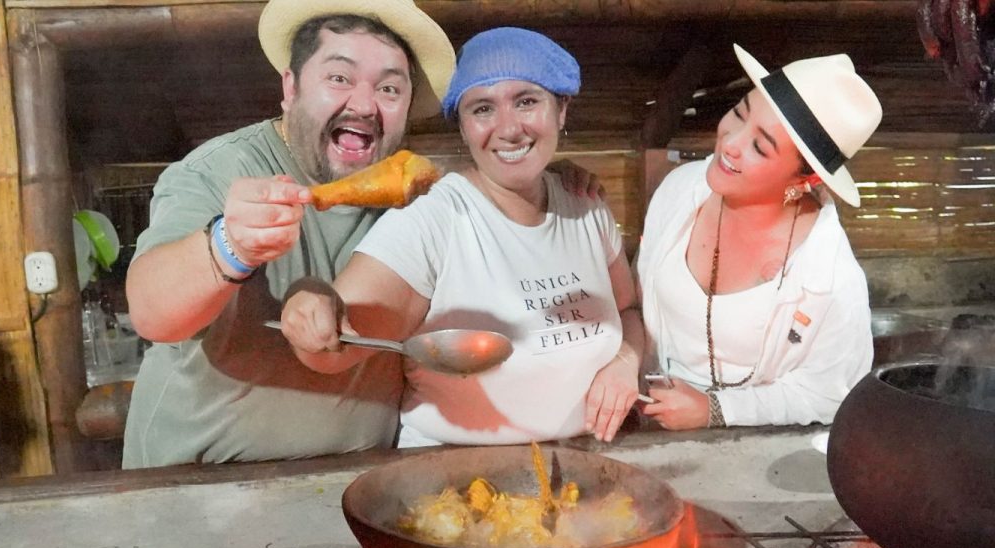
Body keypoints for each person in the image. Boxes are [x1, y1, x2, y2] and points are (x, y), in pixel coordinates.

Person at [122, 0, 456, 467]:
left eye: (389, 88)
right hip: (201, 483)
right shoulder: (218, 170)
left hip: (356, 483)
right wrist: (230, 247)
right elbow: (152, 313)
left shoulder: (416, 195)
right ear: (291, 87)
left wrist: (559, 184)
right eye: (339, 77)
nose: (363, 104)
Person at [280, 27, 643, 447]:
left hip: (586, 469)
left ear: (561, 110)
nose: (508, 129)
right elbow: (334, 347)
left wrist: (625, 361)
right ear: (463, 127)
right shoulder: (432, 220)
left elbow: (628, 309)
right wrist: (311, 307)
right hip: (454, 481)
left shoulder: (586, 206)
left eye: (526, 101)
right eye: (483, 109)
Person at [636, 45, 882, 430]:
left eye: (760, 146)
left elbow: (829, 394)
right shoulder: (680, 192)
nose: (730, 142)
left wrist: (715, 411)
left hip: (755, 457)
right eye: (738, 113)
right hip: (654, 428)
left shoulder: (832, 281)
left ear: (805, 180)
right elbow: (638, 300)